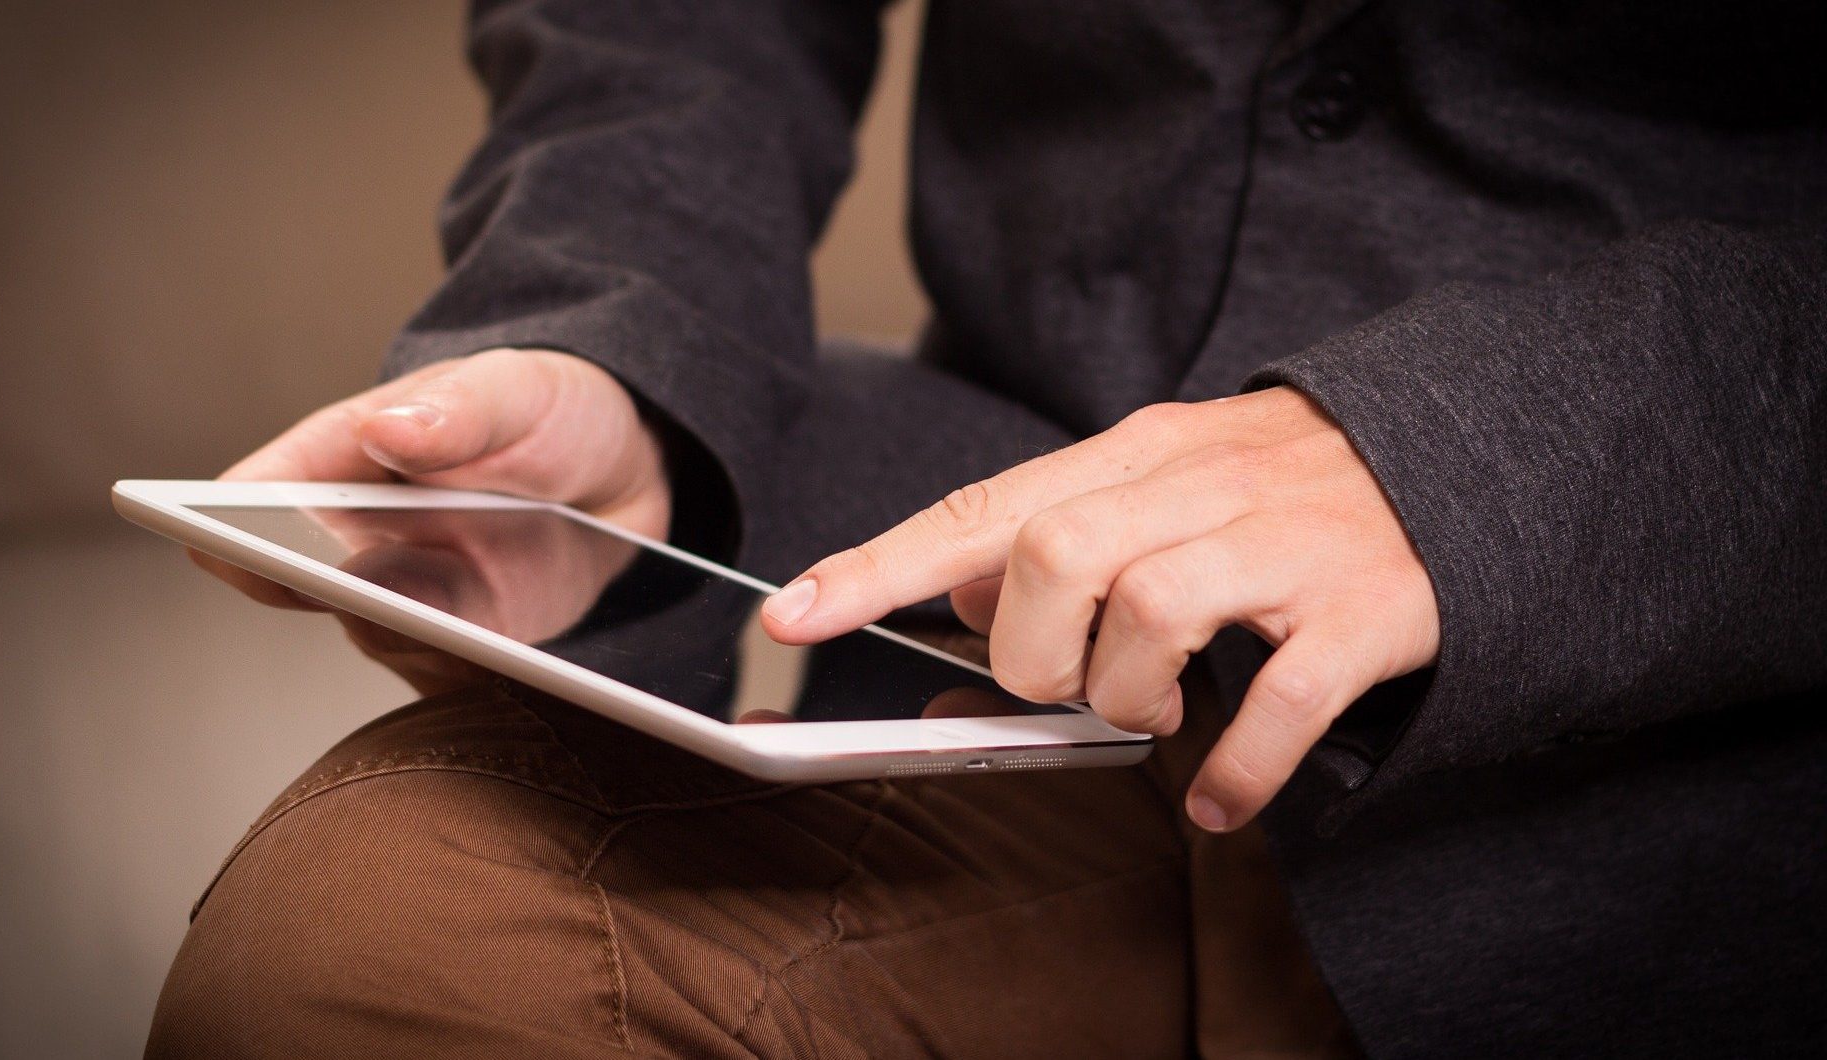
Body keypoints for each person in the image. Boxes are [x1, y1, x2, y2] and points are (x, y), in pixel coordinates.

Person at [147, 1, 1827, 1056]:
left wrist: (1472, 462)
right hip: (1003, 668)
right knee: (384, 934)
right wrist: (625, 338)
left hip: (1693, 784)